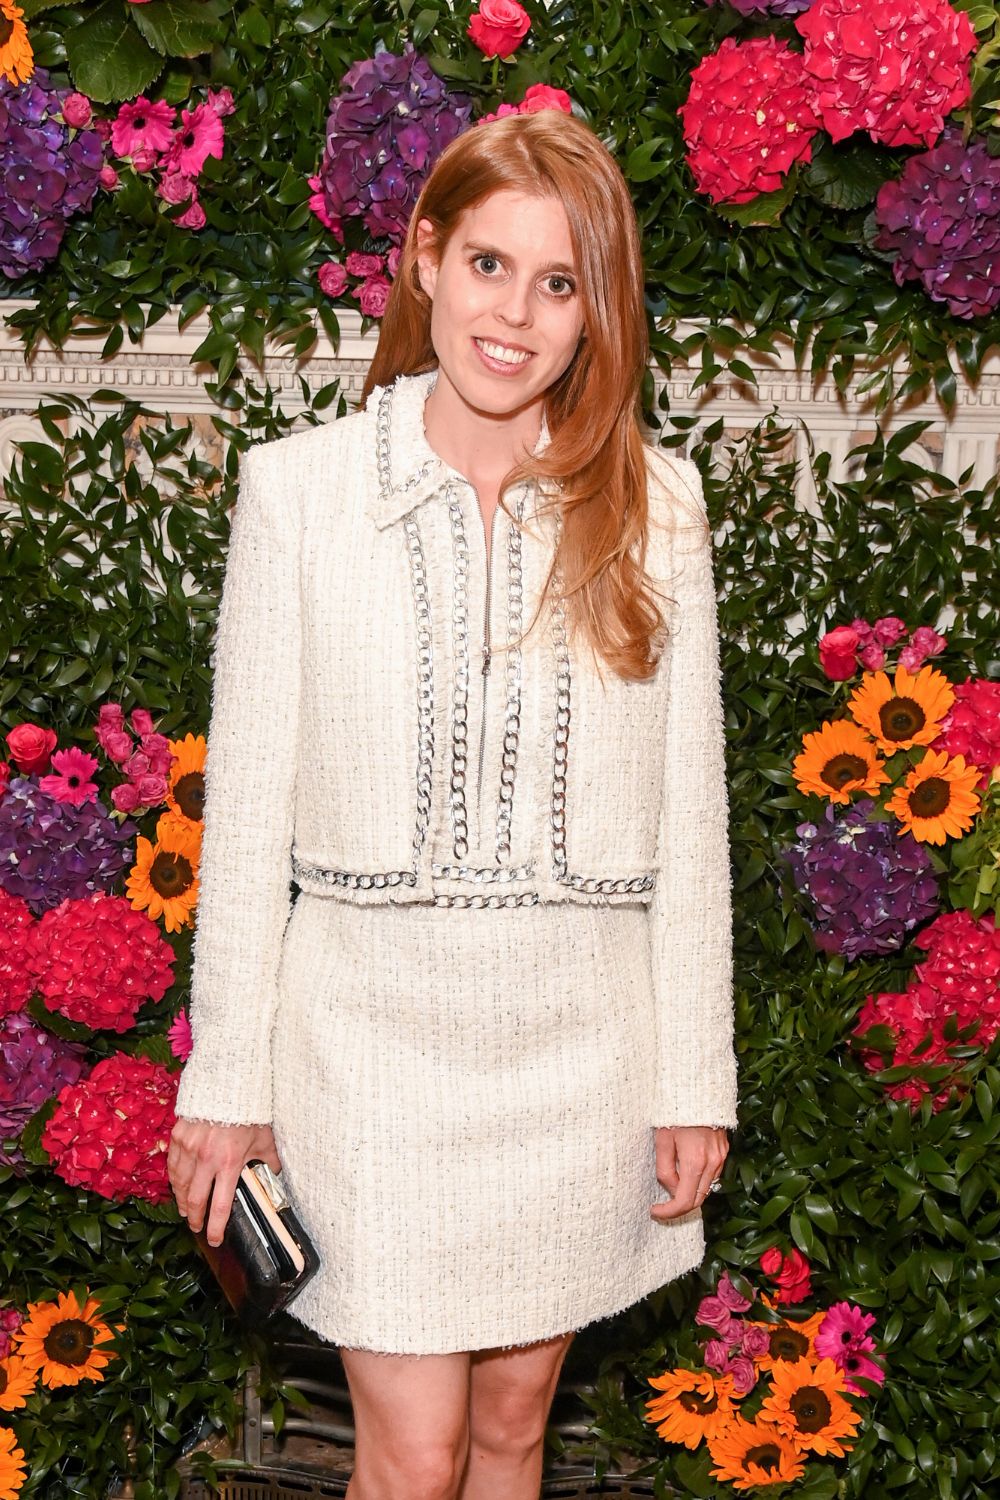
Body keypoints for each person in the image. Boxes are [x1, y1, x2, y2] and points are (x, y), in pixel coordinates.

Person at [167, 108, 738, 1500]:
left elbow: (691, 822)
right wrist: (227, 1089)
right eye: (489, 264)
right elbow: (244, 821)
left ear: (597, 312)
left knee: (511, 1435)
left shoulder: (657, 505)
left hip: (584, 1058)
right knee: (413, 1456)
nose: (515, 314)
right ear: (425, 258)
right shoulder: (300, 495)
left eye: (559, 283)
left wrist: (693, 1082)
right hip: (367, 1058)